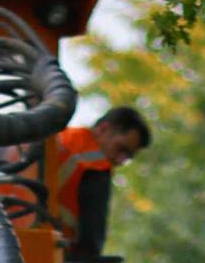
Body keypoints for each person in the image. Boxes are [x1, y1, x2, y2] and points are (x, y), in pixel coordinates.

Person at [49, 104, 151, 255]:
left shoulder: (59, 136)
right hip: (45, 252)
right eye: (121, 149)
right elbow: (91, 242)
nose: (120, 161)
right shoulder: (96, 168)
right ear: (103, 129)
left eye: (128, 157)